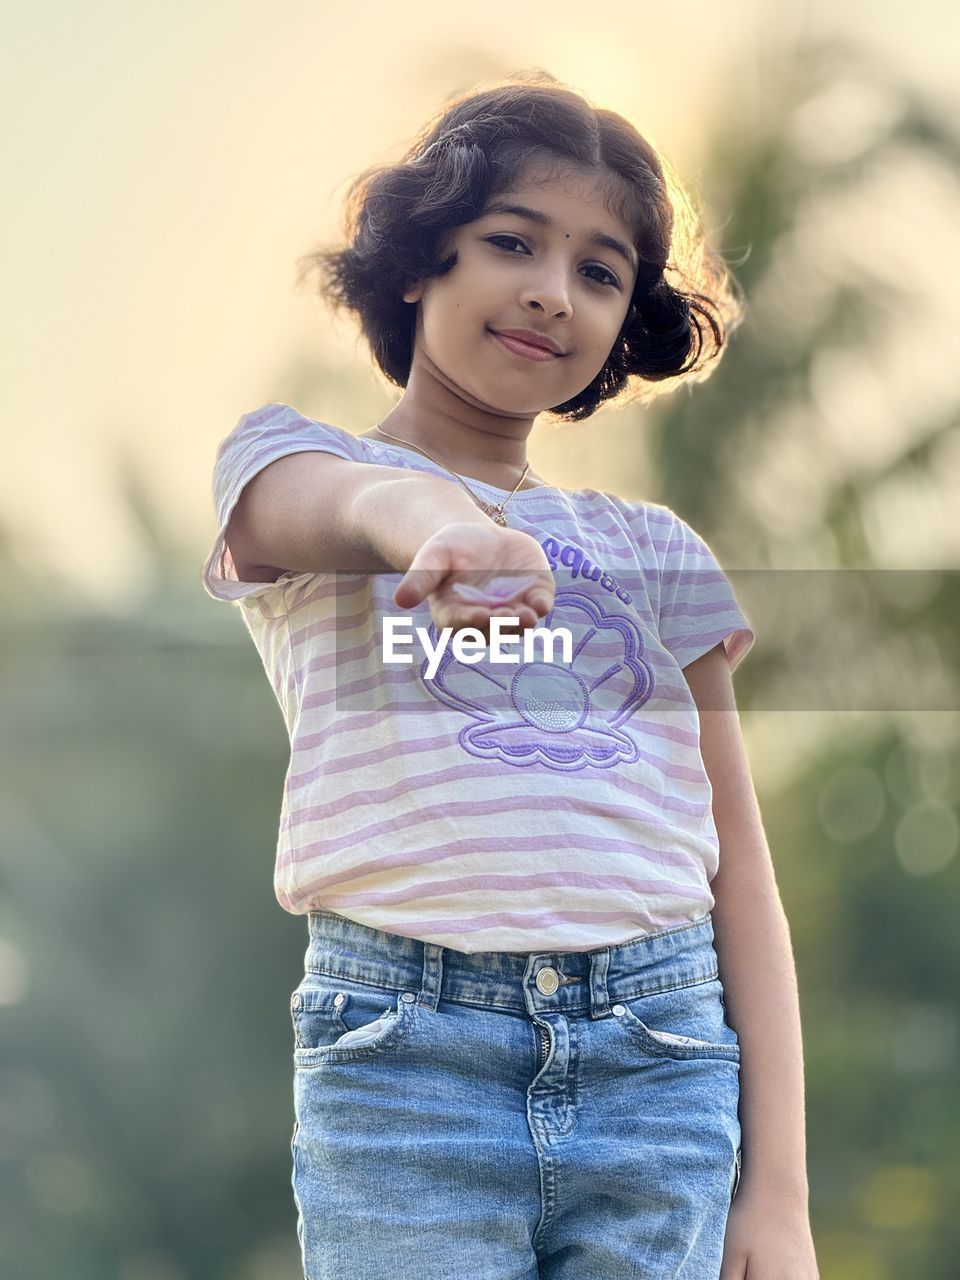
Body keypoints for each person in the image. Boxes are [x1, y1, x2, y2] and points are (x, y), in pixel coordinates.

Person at [201, 72, 818, 1280]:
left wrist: (780, 1194)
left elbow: (740, 872)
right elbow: (346, 505)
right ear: (421, 259)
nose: (551, 289)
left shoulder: (656, 551)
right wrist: (440, 526)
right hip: (405, 1065)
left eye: (600, 270)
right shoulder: (290, 463)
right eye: (511, 242)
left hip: (663, 1061)